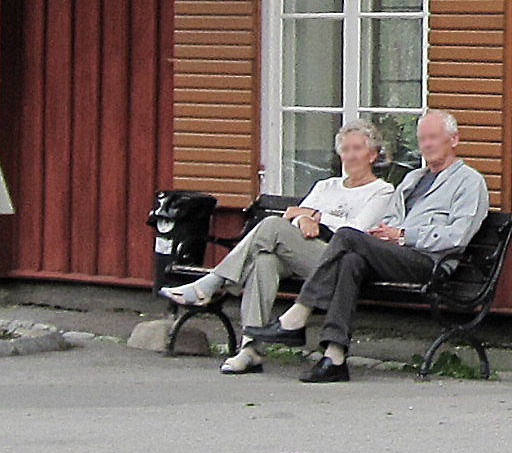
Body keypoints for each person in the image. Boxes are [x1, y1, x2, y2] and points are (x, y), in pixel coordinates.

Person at [247, 106, 491, 384]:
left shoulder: (469, 182)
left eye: (433, 138)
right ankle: (334, 356)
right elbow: (390, 218)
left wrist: (403, 235)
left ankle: (297, 316)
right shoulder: (414, 178)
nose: (427, 145)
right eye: (422, 139)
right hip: (396, 254)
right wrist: (384, 233)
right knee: (352, 260)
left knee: (348, 236)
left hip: (429, 262)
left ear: (454, 140)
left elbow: (457, 236)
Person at [160, 120, 398, 374]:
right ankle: (250, 349)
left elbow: (355, 232)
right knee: (264, 260)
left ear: (372, 155)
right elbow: (294, 217)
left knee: (271, 226)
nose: (350, 156)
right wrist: (303, 218)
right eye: (346, 149)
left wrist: (316, 216)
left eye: (357, 149)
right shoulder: (325, 186)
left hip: (338, 261)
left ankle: (212, 283)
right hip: (303, 251)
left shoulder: (382, 191)